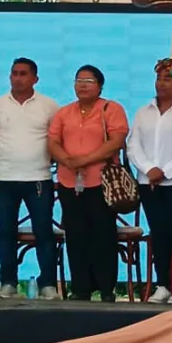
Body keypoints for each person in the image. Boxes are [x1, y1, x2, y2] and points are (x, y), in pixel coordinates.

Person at [47, 65, 129, 302]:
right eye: (79, 80)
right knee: (75, 234)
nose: (82, 84)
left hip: (102, 182)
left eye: (89, 80)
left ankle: (106, 288)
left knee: (102, 235)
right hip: (69, 182)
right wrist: (67, 160)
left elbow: (116, 141)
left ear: (100, 86)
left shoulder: (111, 109)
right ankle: (80, 288)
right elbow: (53, 141)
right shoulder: (64, 113)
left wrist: (84, 160)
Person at [128, 58, 172, 305]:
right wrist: (149, 169)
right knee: (158, 233)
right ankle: (161, 285)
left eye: (167, 78)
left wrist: (165, 171)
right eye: (158, 78)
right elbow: (133, 145)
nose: (161, 83)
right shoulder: (143, 112)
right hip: (148, 181)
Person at [0, 58, 61, 300]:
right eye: (14, 74)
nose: (18, 78)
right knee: (6, 232)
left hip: (39, 178)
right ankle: (8, 283)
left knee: (44, 232)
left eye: (23, 74)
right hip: (6, 179)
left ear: (35, 79)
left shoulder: (49, 106)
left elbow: (56, 140)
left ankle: (48, 284)